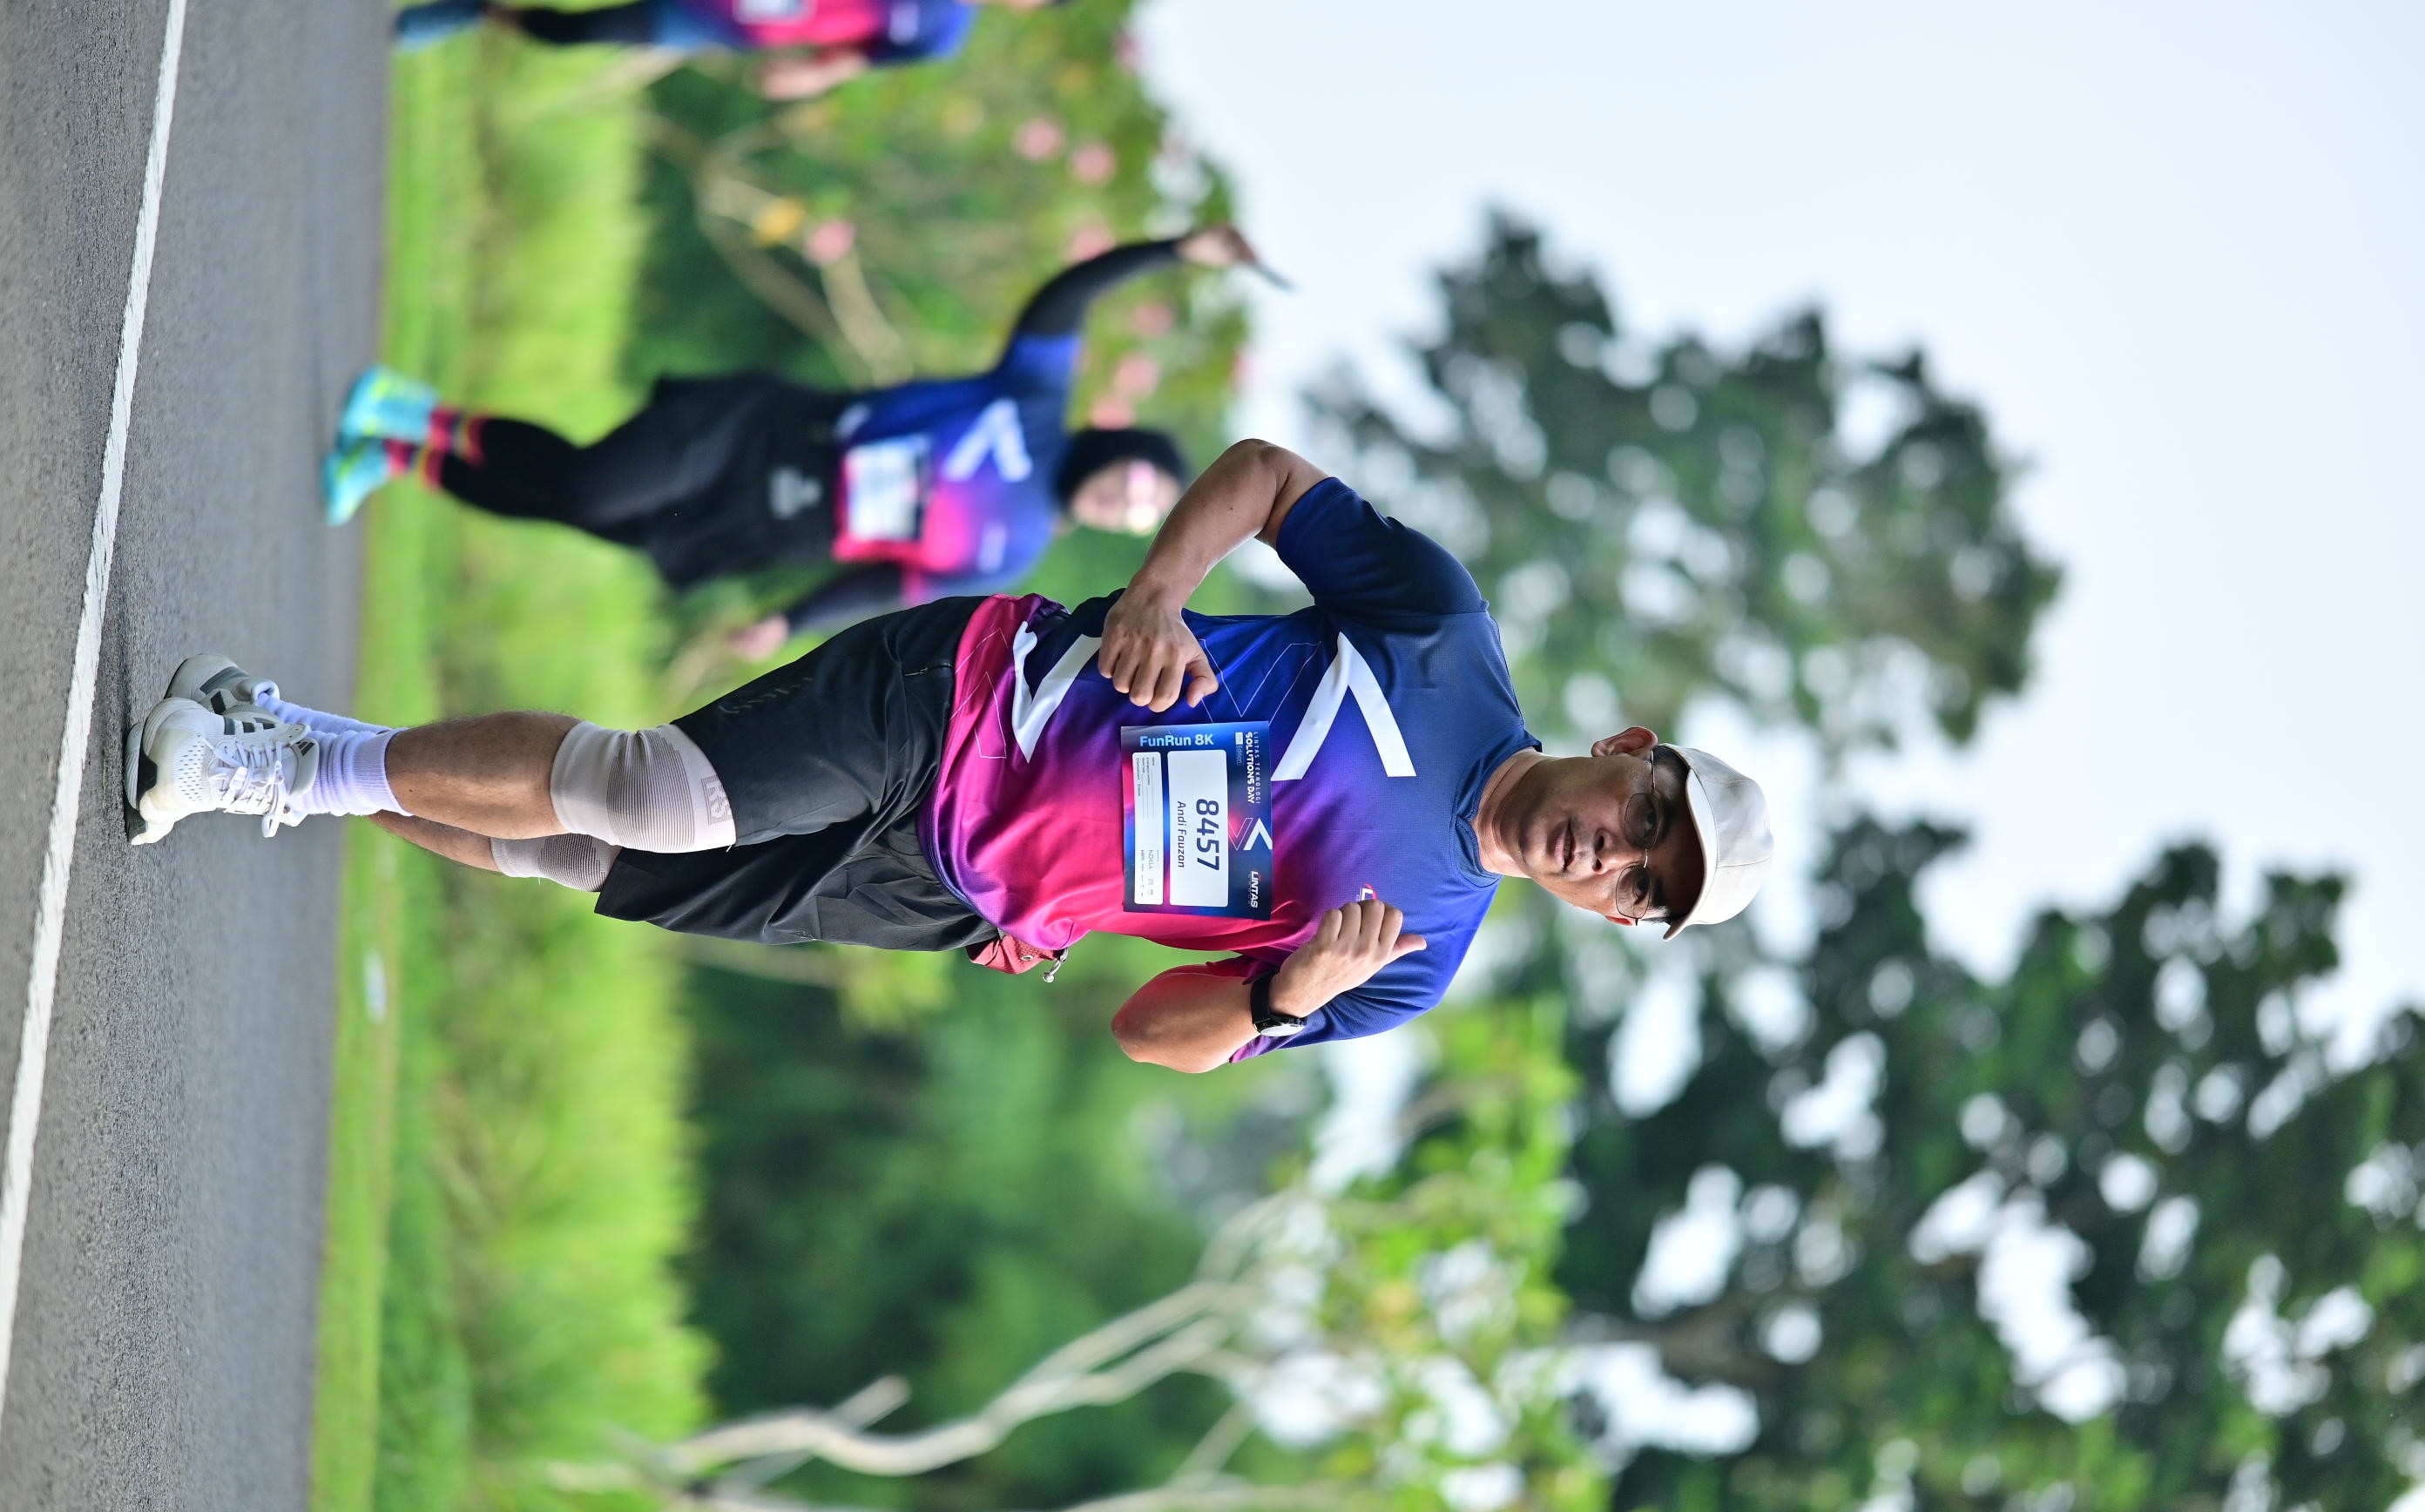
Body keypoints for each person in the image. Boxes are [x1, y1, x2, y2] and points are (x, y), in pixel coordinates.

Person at [132, 439, 1773, 1068]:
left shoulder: (1412, 962)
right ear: (1629, 749)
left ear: (1613, 918)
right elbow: (1270, 479)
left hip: (957, 895)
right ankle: (266, 768)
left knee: (588, 855)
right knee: (659, 792)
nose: (1616, 858)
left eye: (1645, 890)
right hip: (976, 700)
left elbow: (1151, 1031)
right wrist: (1156, 589)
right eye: (1650, 819)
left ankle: (292, 745)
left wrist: (1286, 999)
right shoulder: (1445, 638)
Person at [324, 227, 1256, 651]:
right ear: (1121, 444)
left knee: (576, 509)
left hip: (766, 532)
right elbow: (1065, 296)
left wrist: (789, 620)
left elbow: (890, 584)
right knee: (588, 486)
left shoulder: (1013, 548)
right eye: (1139, 480)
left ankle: (400, 456)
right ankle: (417, 414)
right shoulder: (1034, 399)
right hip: (765, 439)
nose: (1127, 501)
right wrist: (1174, 251)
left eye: (1138, 513)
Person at [393, 0, 1054, 98]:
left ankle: (480, 10)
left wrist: (807, 79)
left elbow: (856, 57)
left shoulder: (942, 34)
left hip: (717, 20)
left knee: (577, 32)